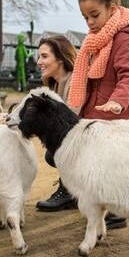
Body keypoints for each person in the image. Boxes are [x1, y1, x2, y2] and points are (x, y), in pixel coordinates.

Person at [68, 0, 129, 230]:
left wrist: (118, 101)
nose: (90, 23)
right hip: (96, 113)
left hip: (116, 116)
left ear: (112, 10)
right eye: (85, 18)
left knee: (115, 166)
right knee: (97, 165)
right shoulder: (95, 40)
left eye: (94, 15)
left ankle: (117, 211)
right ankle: (100, 206)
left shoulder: (125, 38)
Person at [34, 35, 78, 212]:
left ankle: (70, 192)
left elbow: (71, 123)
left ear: (60, 58)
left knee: (54, 154)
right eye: (39, 56)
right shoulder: (54, 83)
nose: (39, 62)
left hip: (85, 141)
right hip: (71, 139)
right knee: (52, 153)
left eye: (44, 56)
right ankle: (72, 191)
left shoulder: (75, 82)